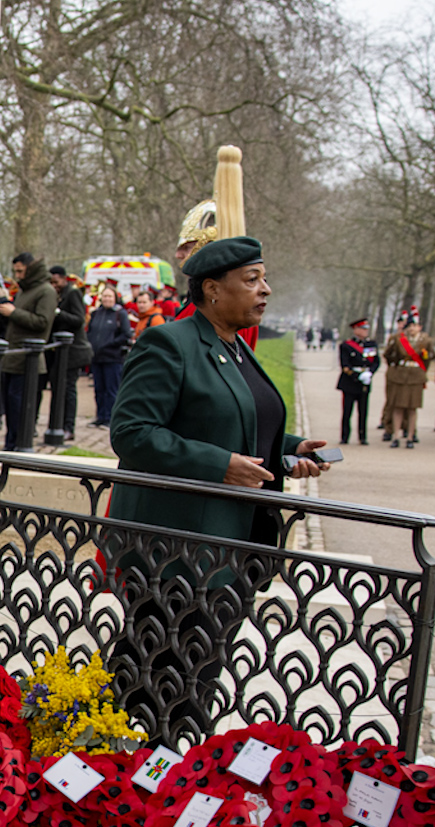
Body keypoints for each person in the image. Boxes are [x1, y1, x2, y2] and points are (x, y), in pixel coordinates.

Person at [106, 236, 329, 735]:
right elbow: (133, 434)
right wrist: (220, 464)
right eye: (252, 280)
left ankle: (159, 766)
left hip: (231, 547)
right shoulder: (170, 343)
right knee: (162, 674)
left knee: (194, 674)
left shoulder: (234, 347)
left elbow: (233, 423)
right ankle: (131, 768)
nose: (265, 290)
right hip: (176, 548)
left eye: (264, 278)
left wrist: (287, 451)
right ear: (211, 289)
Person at [0, 253, 57, 449]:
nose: (18, 275)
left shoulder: (46, 291)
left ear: (30, 269)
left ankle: (20, 445)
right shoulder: (24, 291)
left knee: (20, 408)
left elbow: (43, 321)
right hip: (13, 357)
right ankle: (10, 444)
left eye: (21, 271)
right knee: (11, 408)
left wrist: (14, 313)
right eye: (16, 271)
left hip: (28, 359)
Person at [48, 265, 90, 440]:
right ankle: (57, 423)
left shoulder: (72, 293)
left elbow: (79, 319)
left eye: (56, 281)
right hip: (60, 351)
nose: (54, 285)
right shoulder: (56, 294)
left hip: (73, 351)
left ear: (64, 279)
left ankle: (68, 427)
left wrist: (58, 313)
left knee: (68, 389)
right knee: (59, 388)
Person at [86, 284, 132, 428]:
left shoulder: (120, 314)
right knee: (99, 390)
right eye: (105, 296)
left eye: (110, 296)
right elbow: (90, 332)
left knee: (111, 390)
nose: (107, 299)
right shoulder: (96, 314)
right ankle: (100, 416)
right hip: (97, 357)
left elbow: (126, 334)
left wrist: (110, 343)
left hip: (113, 358)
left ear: (115, 298)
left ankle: (110, 418)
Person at [381, 314, 430, 448]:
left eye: (414, 326)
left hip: (416, 376)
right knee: (398, 407)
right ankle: (396, 435)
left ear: (419, 327)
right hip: (400, 375)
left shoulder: (425, 341)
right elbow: (388, 354)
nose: (412, 329)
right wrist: (396, 365)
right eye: (409, 326)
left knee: (412, 408)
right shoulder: (398, 340)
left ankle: (410, 436)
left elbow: (429, 358)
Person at [336, 317, 379, 446]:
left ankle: (362, 436)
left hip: (365, 382)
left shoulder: (371, 344)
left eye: (366, 329)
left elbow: (376, 361)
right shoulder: (346, 345)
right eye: (362, 328)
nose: (366, 331)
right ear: (356, 330)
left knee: (363, 411)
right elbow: (345, 365)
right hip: (350, 381)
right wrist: (357, 375)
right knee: (347, 411)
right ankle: (344, 436)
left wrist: (370, 372)